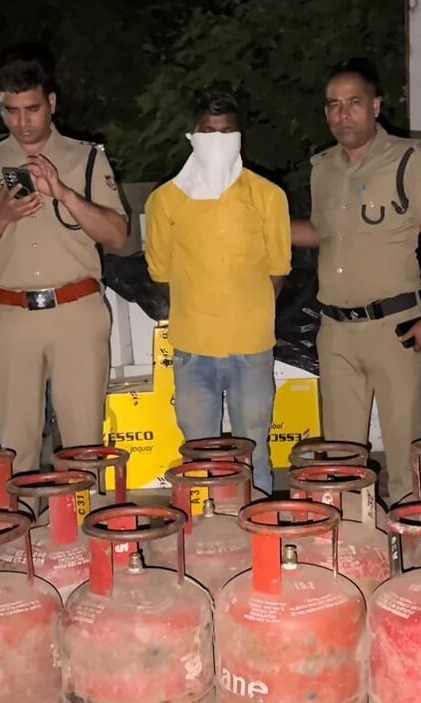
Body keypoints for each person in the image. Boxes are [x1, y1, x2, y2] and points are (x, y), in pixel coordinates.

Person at [0, 43, 129, 474]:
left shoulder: (86, 158)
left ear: (51, 103)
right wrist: (1, 214)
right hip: (10, 315)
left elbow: (118, 236)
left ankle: (84, 517)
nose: (22, 122)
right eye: (11, 111)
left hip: (75, 312)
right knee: (16, 448)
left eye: (32, 109)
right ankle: (24, 517)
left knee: (84, 445)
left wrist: (64, 193)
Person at [291, 57, 421, 502]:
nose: (342, 114)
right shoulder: (322, 167)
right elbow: (322, 233)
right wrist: (263, 228)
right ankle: (351, 534)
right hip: (336, 331)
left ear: (376, 106)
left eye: (354, 103)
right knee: (340, 461)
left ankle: (410, 530)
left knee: (404, 454)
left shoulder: (409, 158)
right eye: (333, 105)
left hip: (394, 327)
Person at [145, 90, 291, 495]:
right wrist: (198, 305)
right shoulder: (165, 201)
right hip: (193, 349)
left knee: (254, 451)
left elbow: (278, 269)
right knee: (200, 456)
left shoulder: (267, 196)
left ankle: (257, 526)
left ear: (240, 137)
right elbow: (160, 272)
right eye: (209, 132)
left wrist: (248, 309)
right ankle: (207, 528)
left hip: (252, 348)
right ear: (193, 136)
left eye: (227, 132)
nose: (218, 141)